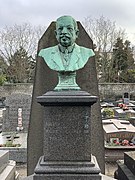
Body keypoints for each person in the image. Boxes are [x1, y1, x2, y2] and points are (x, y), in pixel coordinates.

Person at [39, 15, 95, 90]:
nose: (64, 32)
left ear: (77, 33)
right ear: (56, 34)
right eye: (60, 29)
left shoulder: (87, 53)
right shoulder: (45, 53)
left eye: (69, 28)